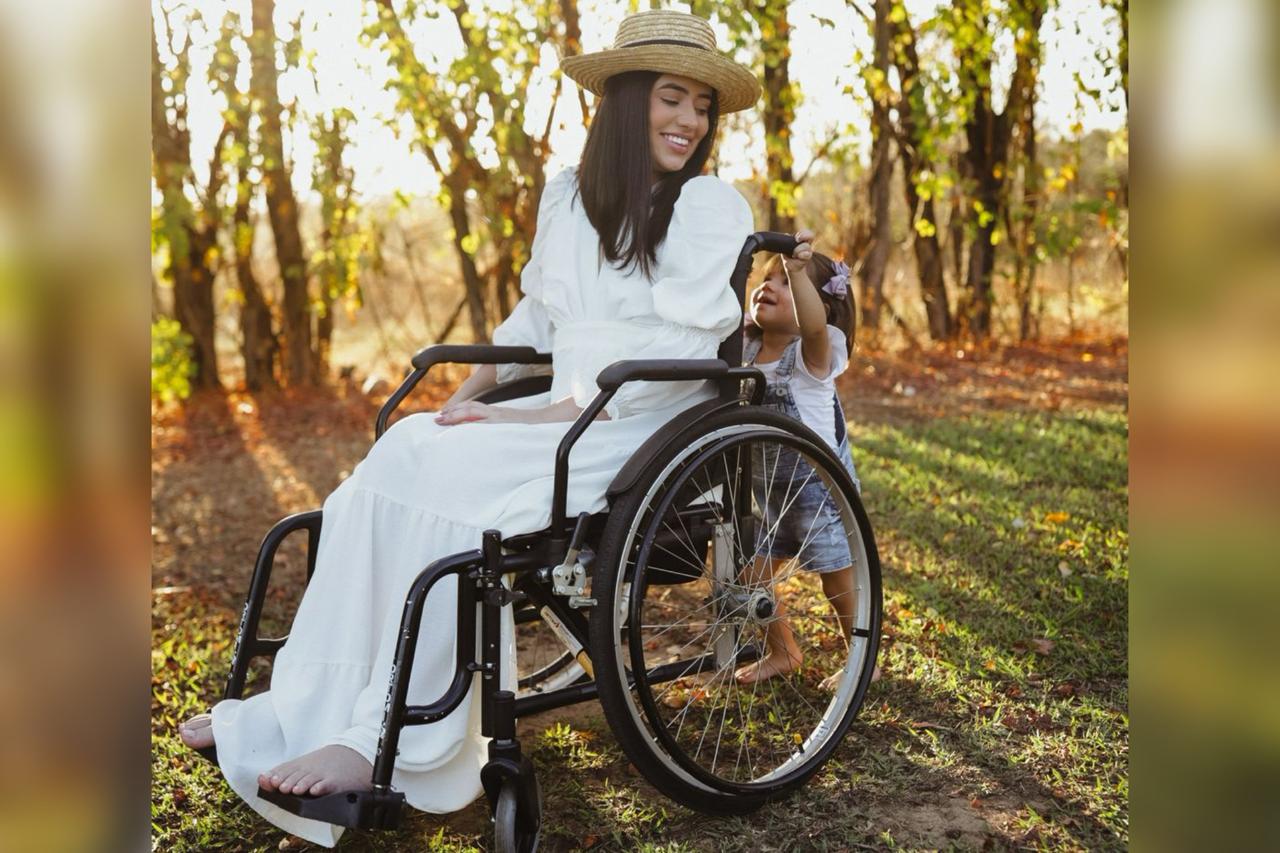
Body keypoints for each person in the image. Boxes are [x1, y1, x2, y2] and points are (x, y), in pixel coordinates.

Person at [176, 10, 761, 847]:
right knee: (408, 449)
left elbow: (680, 338)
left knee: (454, 497)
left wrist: (561, 405)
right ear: (628, 103)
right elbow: (537, 315)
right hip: (568, 405)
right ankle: (305, 701)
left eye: (702, 106)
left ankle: (385, 731)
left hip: (637, 417)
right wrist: (469, 389)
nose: (690, 122)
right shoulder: (570, 195)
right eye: (674, 99)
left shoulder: (707, 204)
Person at [732, 231, 862, 686]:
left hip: (816, 486)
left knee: (835, 576)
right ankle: (783, 650)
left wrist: (799, 269)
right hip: (765, 487)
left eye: (783, 282)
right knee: (751, 572)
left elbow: (810, 324)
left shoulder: (812, 354)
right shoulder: (744, 351)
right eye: (767, 279)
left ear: (820, 307)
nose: (770, 286)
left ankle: (862, 653)